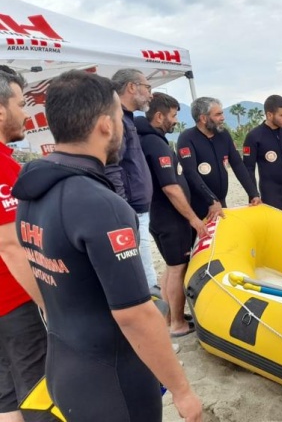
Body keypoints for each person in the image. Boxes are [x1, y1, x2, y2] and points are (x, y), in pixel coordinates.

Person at [12, 70, 202, 422]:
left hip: (64, 364)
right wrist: (182, 390)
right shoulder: (101, 204)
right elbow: (134, 314)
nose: (123, 128)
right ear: (104, 125)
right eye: (119, 117)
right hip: (113, 379)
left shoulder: (31, 188)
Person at [0, 68, 51, 422]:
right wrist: (49, 303)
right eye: (20, 104)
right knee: (39, 394)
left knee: (7, 396)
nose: (25, 113)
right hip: (15, 301)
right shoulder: (2, 166)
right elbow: (11, 245)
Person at [136, 92, 207, 338]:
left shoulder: (146, 140)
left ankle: (169, 317)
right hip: (170, 218)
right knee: (178, 269)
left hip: (159, 217)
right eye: (174, 115)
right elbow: (170, 187)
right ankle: (177, 323)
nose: (176, 120)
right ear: (159, 116)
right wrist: (193, 218)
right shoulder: (155, 144)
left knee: (171, 267)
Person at [105, 69, 159, 292]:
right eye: (147, 87)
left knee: (145, 272)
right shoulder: (117, 121)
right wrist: (123, 208)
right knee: (145, 279)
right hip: (132, 211)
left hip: (138, 208)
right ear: (131, 87)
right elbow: (112, 166)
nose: (150, 94)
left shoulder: (129, 120)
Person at [177, 97, 261, 222]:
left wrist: (253, 193)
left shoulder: (223, 135)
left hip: (220, 202)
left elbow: (238, 165)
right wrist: (211, 200)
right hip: (199, 204)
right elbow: (190, 173)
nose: (223, 118)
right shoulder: (187, 138)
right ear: (203, 118)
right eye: (218, 114)